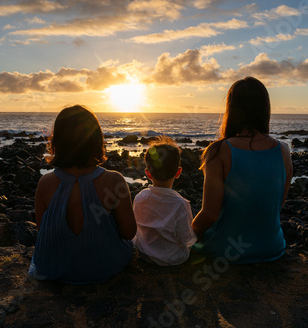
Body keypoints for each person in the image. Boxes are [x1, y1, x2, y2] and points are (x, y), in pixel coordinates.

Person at [28, 105, 136, 284]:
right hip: (105, 266)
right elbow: (129, 233)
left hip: (54, 268)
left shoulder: (45, 183)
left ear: (57, 142)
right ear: (96, 140)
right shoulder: (114, 181)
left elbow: (43, 231)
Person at [191, 77, 293, 264]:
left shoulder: (219, 150)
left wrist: (189, 232)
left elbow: (210, 214)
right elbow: (276, 207)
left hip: (224, 250)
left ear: (232, 108)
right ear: (265, 108)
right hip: (271, 247)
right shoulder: (284, 151)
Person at [133, 136, 197, 266]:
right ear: (178, 172)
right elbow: (187, 240)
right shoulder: (181, 204)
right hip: (173, 258)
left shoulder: (140, 197)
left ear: (148, 174)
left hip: (145, 254)